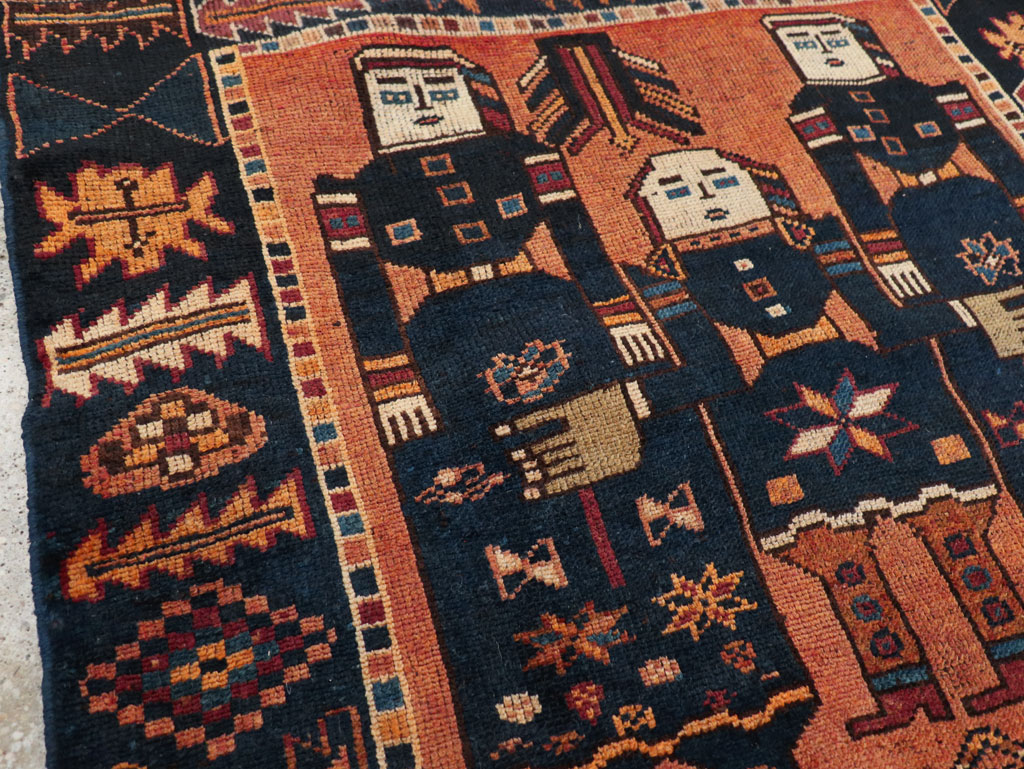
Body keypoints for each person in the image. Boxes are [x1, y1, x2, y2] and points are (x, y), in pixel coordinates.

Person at [312, 46, 815, 769]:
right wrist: (394, 383)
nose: (420, 104)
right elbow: (364, 294)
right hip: (447, 354)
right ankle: (553, 728)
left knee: (677, 536)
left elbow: (587, 247)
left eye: (436, 86)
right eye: (396, 92)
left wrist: (624, 357)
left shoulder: (530, 164)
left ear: (471, 93)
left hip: (576, 329)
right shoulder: (358, 194)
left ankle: (743, 707)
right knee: (500, 559)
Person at [626, 146, 1024, 737]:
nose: (706, 199)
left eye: (719, 180)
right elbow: (705, 366)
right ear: (654, 217)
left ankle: (1012, 658)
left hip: (879, 382)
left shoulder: (820, 239)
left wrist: (973, 317)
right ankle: (902, 687)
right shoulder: (666, 281)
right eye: (677, 193)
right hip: (773, 412)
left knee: (951, 521)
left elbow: (890, 312)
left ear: (760, 186)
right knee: (833, 553)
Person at [764, 11, 1024, 716]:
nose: (821, 51)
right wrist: (888, 260)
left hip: (989, 220)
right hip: (925, 248)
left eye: (831, 37)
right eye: (803, 44)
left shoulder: (941, 92)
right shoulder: (816, 108)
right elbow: (849, 185)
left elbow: (1000, 158)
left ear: (866, 41)